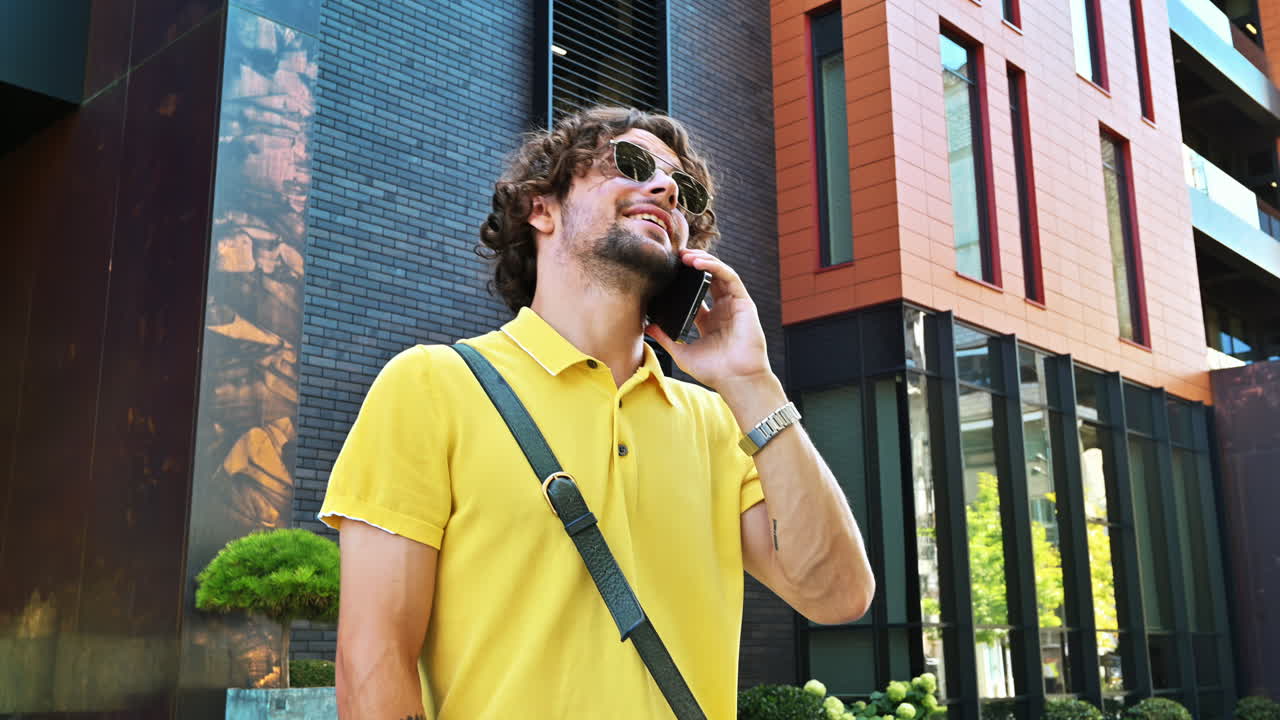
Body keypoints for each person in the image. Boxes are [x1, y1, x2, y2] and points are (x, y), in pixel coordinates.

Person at [319, 106, 875, 720]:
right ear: (542, 207)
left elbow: (838, 595)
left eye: (684, 190)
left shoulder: (719, 424)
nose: (666, 189)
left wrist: (753, 384)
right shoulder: (431, 385)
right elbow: (374, 661)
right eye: (630, 166)